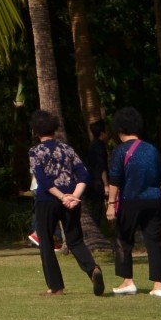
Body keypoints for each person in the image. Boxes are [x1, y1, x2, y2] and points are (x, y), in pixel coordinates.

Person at [26, 110, 103, 296]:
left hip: (48, 200)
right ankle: (92, 268)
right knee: (75, 240)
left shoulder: (35, 151)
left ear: (35, 131)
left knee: (46, 241)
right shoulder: (67, 149)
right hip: (71, 200)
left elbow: (43, 181)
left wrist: (62, 197)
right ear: (54, 129)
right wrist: (74, 196)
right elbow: (84, 175)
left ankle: (55, 286)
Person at [106, 106, 161, 296]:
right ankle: (158, 286)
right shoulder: (151, 149)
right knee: (154, 242)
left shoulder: (120, 151)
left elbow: (115, 179)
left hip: (130, 200)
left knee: (123, 240)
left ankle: (128, 281)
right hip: (153, 200)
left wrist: (111, 204)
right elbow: (159, 175)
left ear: (119, 129)